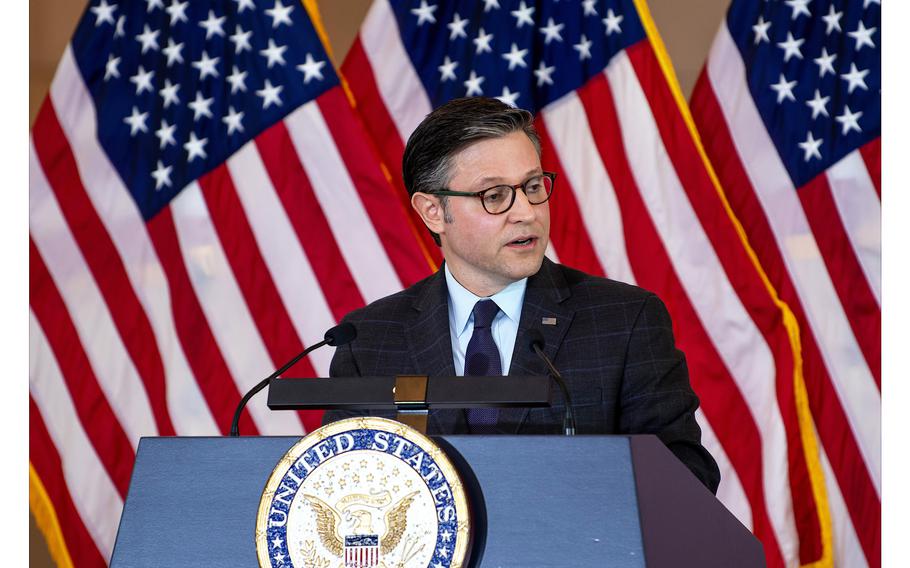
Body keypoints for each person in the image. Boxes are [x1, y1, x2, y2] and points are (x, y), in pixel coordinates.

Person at [324, 97, 720, 494]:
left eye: (532, 187)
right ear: (432, 211)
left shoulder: (624, 320)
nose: (527, 212)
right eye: (494, 196)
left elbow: (686, 478)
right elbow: (340, 486)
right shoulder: (369, 339)